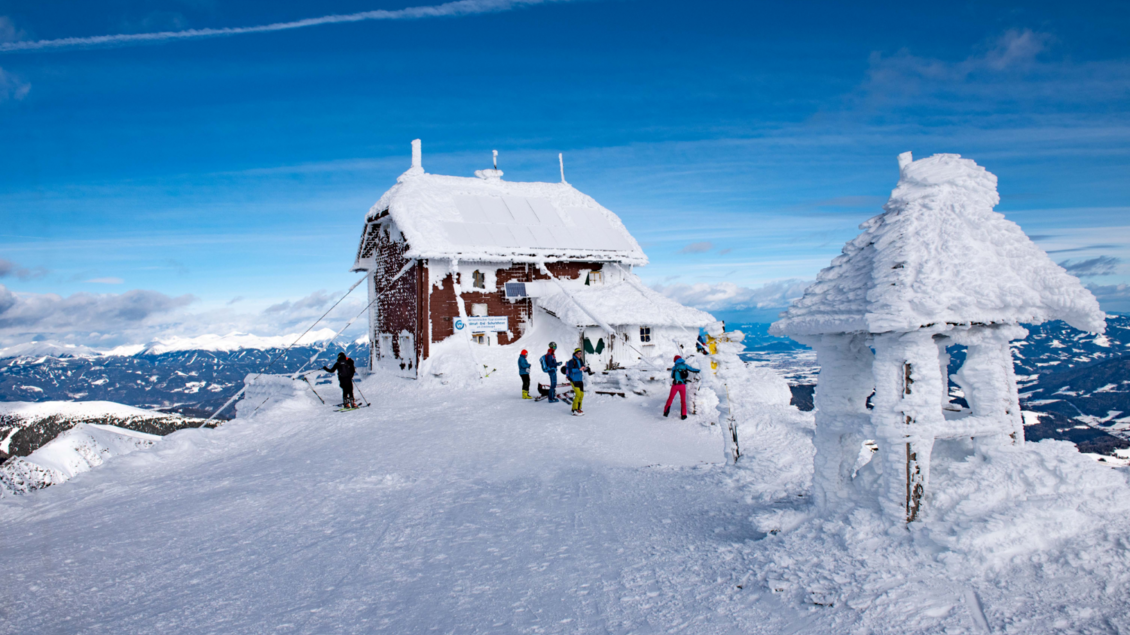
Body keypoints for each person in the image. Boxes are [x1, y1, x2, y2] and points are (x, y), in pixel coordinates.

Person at [664, 355, 700, 420]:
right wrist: (700, 370)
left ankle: (666, 412)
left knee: (670, 398)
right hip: (682, 385)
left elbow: (672, 376)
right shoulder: (685, 365)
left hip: (675, 385)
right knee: (683, 401)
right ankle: (683, 415)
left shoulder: (674, 367)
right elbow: (693, 370)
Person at [564, 348, 591, 416]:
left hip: (580, 380)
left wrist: (587, 369)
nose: (580, 355)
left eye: (580, 353)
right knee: (578, 394)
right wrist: (579, 369)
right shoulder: (571, 361)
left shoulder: (580, 360)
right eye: (578, 353)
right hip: (574, 380)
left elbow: (583, 369)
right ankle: (574, 410)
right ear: (575, 354)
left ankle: (578, 408)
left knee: (581, 395)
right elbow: (571, 370)